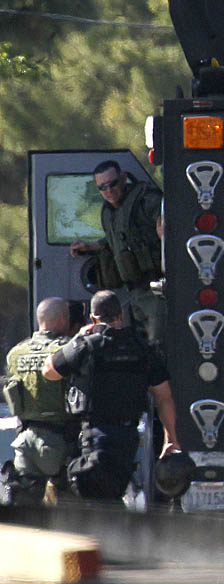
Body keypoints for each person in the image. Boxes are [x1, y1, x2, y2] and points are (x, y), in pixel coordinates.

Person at [41, 290, 180, 501]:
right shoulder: (141, 348)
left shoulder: (86, 346)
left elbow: (49, 372)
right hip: (129, 437)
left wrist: (78, 337)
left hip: (96, 434)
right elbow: (164, 397)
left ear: (93, 318)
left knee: (91, 493)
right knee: (114, 491)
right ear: (121, 316)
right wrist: (171, 438)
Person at [69, 160, 166, 356]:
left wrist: (164, 226)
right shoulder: (109, 212)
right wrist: (90, 247)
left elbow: (167, 219)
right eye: (102, 187)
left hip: (156, 288)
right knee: (142, 345)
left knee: (159, 345)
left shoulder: (145, 199)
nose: (109, 191)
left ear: (123, 178)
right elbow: (115, 240)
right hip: (135, 291)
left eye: (112, 184)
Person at [1, 298, 77, 505]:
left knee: (25, 510)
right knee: (70, 512)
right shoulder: (69, 350)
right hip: (62, 443)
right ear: (63, 319)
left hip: (25, 441)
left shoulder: (15, 353)